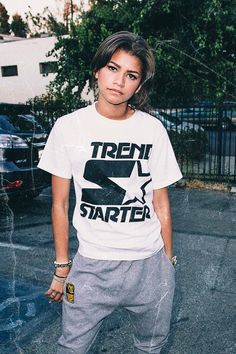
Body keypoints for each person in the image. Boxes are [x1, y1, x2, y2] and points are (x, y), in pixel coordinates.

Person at [38, 31, 182, 354]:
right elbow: (59, 205)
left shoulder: (153, 130)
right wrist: (62, 269)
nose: (119, 81)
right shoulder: (67, 127)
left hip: (149, 265)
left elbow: (161, 203)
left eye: (131, 75)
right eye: (113, 68)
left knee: (151, 347)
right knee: (71, 348)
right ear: (98, 70)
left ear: (139, 84)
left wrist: (167, 264)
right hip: (91, 267)